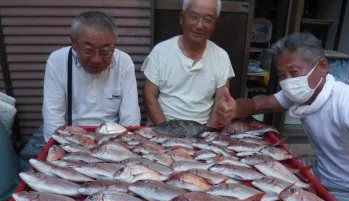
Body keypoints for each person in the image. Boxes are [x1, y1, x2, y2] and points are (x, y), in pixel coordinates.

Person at [216, 33, 349, 201]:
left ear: (322, 67)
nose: (288, 82)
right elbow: (256, 105)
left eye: (294, 72)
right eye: (283, 76)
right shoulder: (301, 94)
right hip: (322, 175)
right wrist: (234, 108)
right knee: (254, 185)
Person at [43, 11, 140, 141]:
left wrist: (127, 144)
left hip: (113, 138)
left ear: (114, 45)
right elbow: (53, 115)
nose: (97, 60)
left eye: (105, 52)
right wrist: (55, 145)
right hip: (72, 137)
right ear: (74, 43)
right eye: (88, 51)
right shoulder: (58, 61)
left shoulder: (124, 62)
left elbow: (130, 116)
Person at [142, 0, 235, 126]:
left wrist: (206, 135)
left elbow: (220, 100)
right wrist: (167, 131)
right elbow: (149, 96)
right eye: (194, 17)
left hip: (202, 130)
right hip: (162, 127)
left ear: (215, 24)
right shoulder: (161, 51)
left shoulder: (221, 57)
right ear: (182, 18)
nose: (199, 25)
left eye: (207, 19)